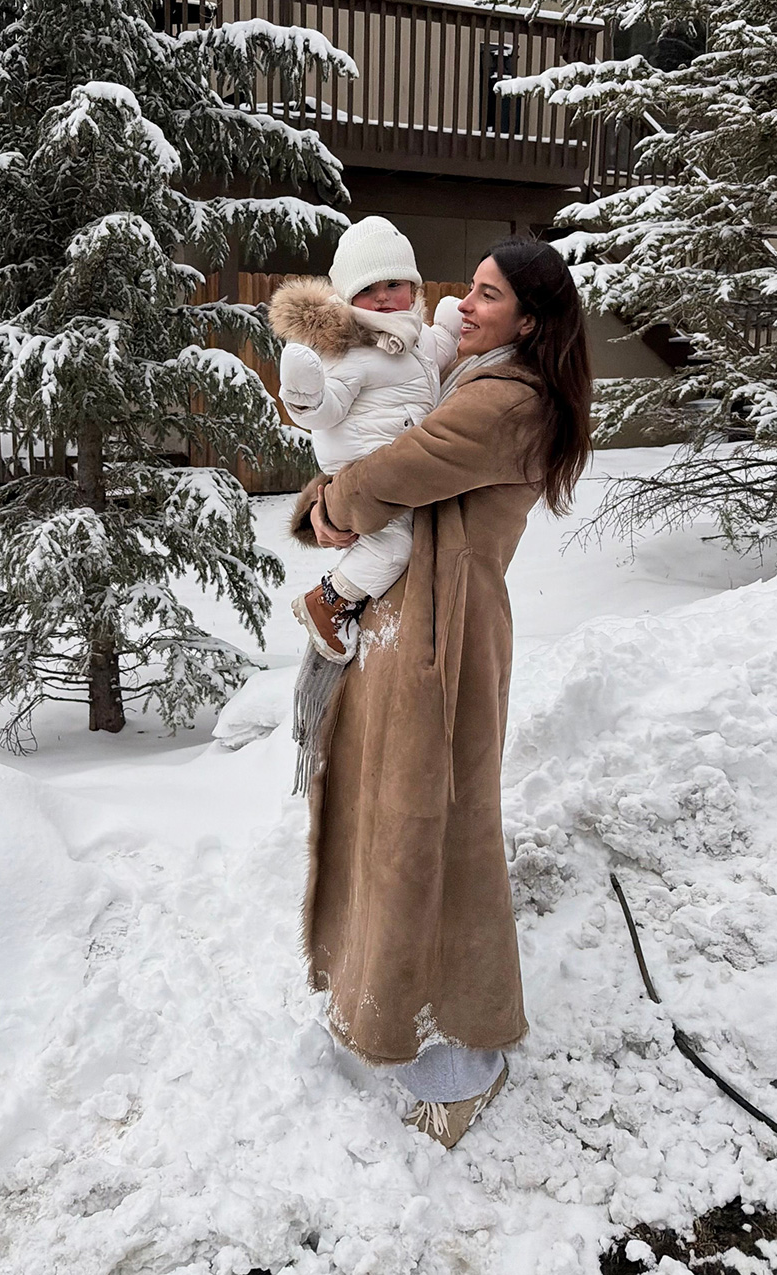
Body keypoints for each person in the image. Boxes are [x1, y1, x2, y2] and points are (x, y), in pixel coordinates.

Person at [288, 238, 593, 1148]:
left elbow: (397, 471)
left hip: (446, 637)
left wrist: (327, 507)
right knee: (395, 824)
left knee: (443, 833)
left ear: (528, 322)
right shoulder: (469, 373)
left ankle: (464, 1054)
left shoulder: (510, 400)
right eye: (473, 285)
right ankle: (382, 1000)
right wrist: (333, 502)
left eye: (490, 295)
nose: (468, 300)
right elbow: (380, 442)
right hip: (411, 621)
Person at [269, 216, 461, 664]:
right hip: (365, 470)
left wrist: (452, 330)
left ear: (413, 287)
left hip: (398, 469)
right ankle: (329, 602)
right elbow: (328, 408)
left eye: (394, 284)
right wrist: (304, 395)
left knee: (397, 541)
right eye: (368, 289)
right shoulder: (349, 350)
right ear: (348, 297)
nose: (383, 297)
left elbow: (440, 353)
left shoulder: (416, 336)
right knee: (392, 546)